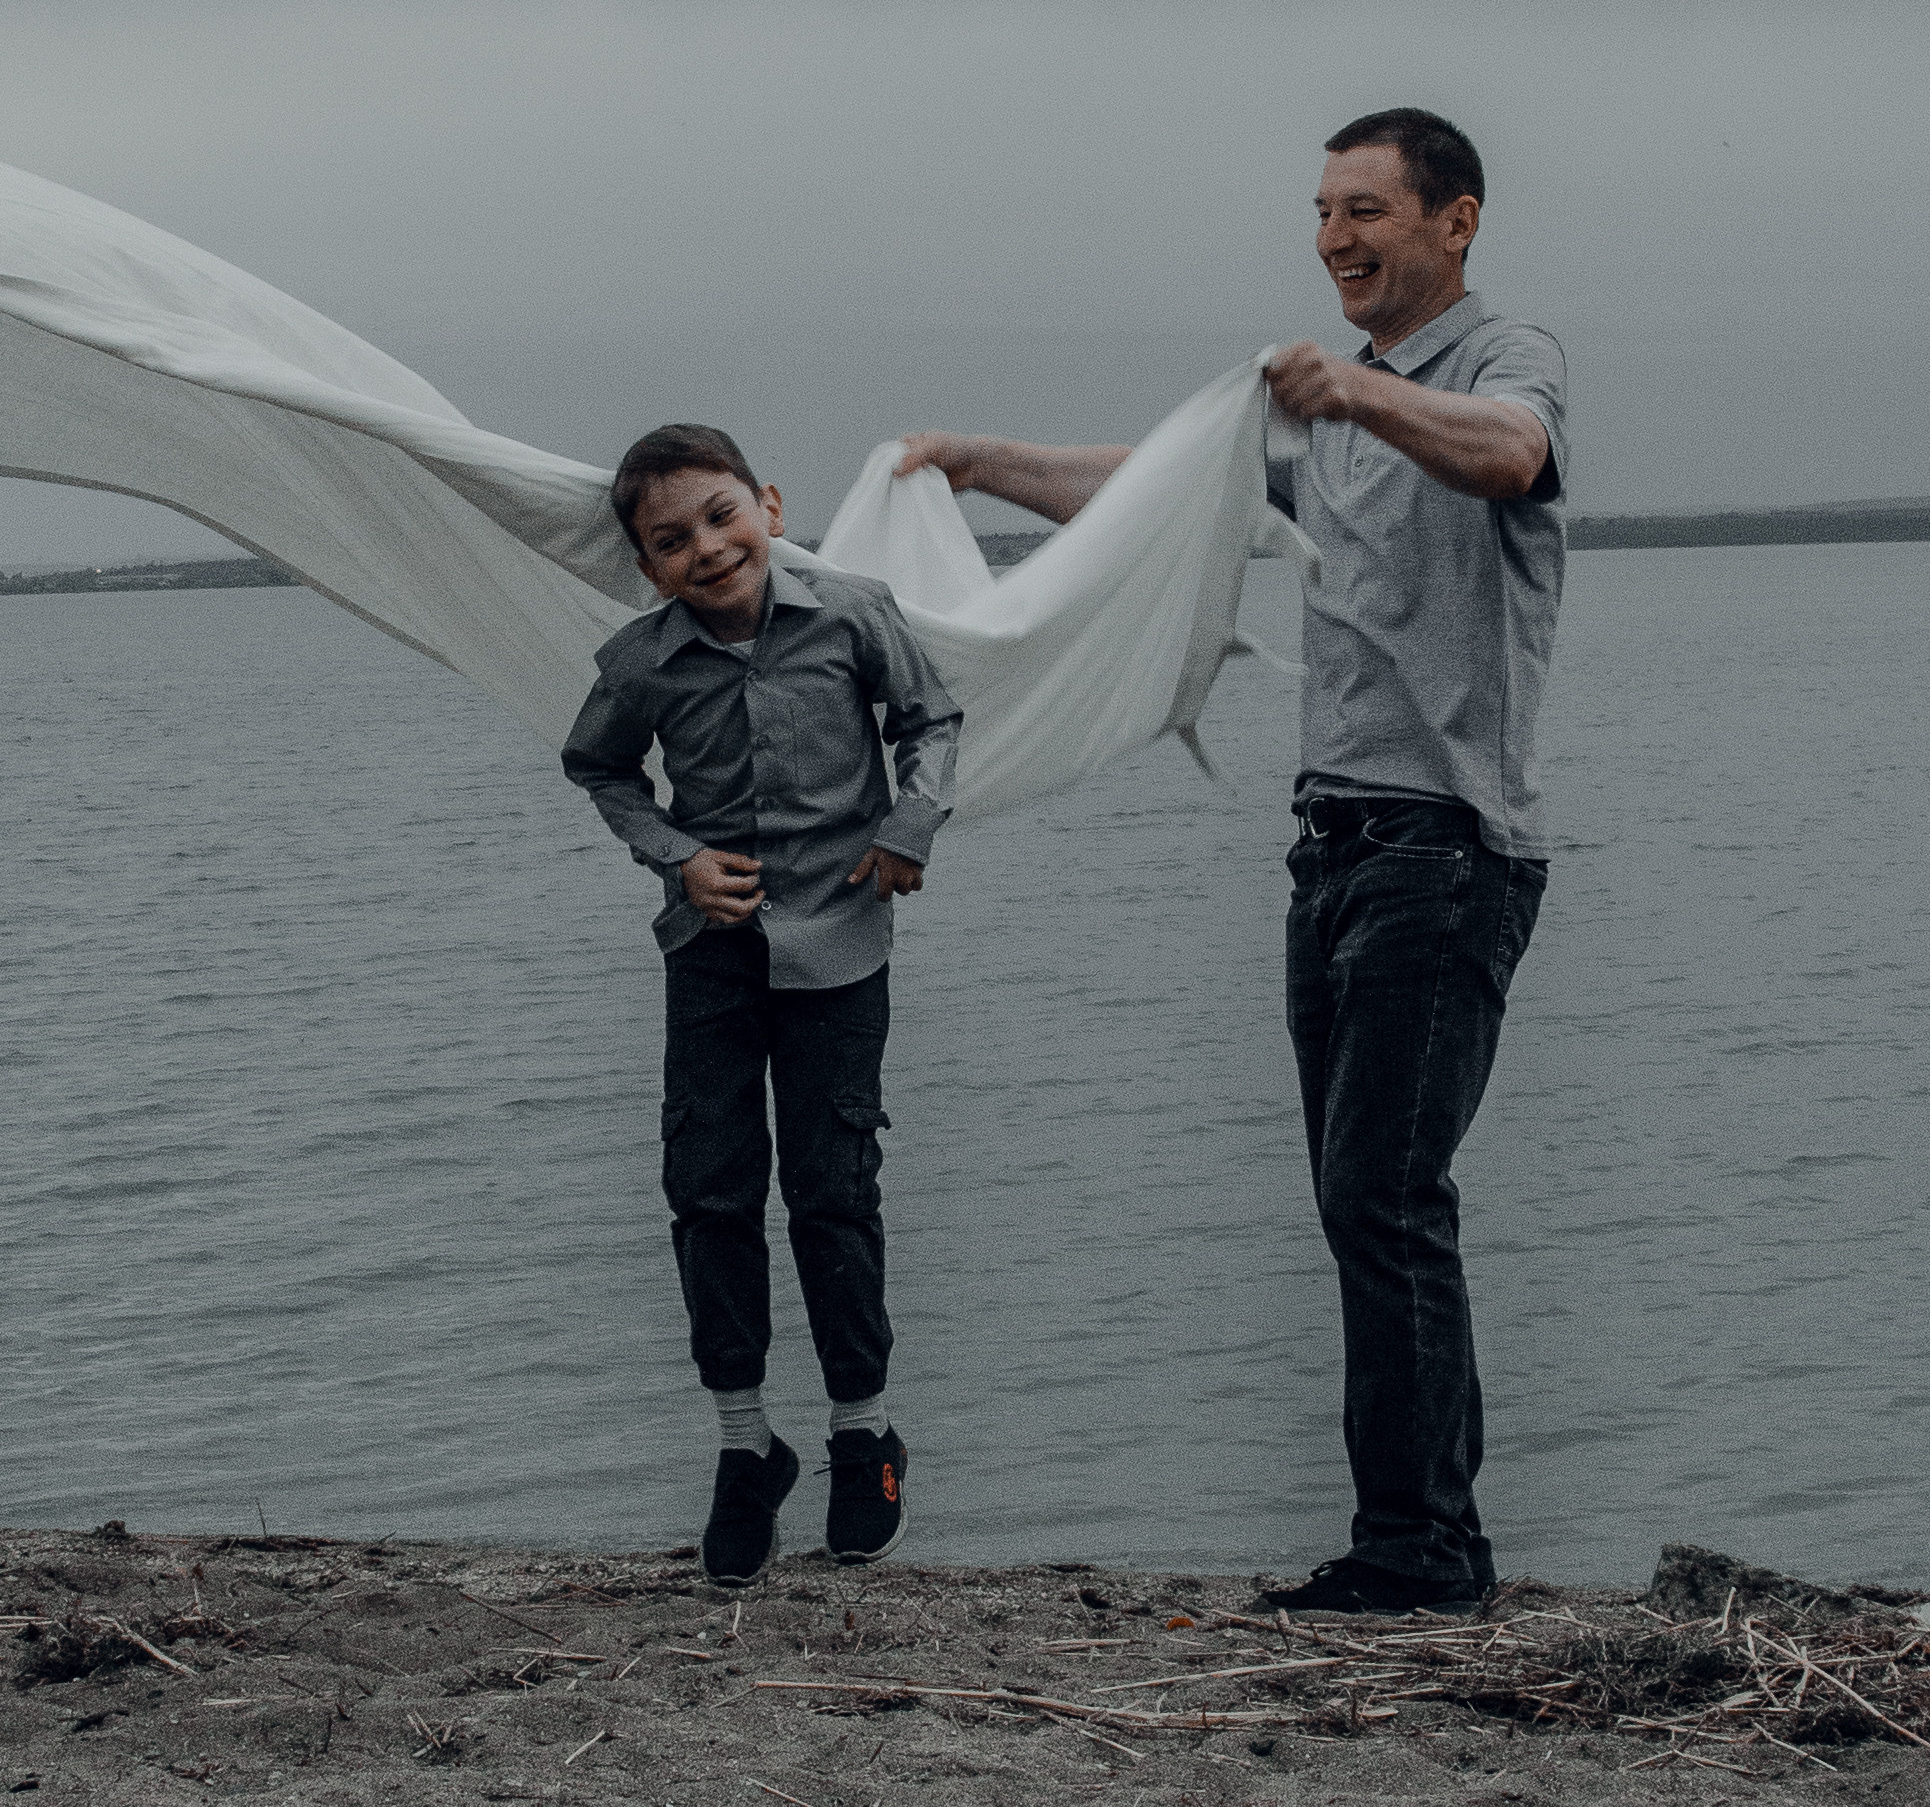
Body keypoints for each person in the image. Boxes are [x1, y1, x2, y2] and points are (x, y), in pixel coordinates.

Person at [896, 107, 1564, 1615]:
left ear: (1455, 221)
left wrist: (1353, 400)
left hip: (1444, 853)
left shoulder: (1501, 362)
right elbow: (1151, 493)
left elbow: (1512, 458)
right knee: (1368, 1202)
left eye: (1367, 211)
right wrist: (975, 462)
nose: (1336, 237)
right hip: (1330, 853)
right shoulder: (1330, 413)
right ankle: (1432, 1541)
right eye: (1322, 212)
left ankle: (1416, 1552)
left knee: (1384, 1197)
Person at [562, 422, 963, 1586]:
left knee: (833, 1192)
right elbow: (598, 769)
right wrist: (674, 854)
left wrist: (909, 826)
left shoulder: (853, 610)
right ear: (648, 566)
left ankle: (861, 1432)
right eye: (672, 540)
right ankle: (747, 1448)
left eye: (722, 517)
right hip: (713, 951)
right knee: (710, 1189)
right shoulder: (640, 660)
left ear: (770, 507)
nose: (708, 549)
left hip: (842, 944)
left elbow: (930, 719)